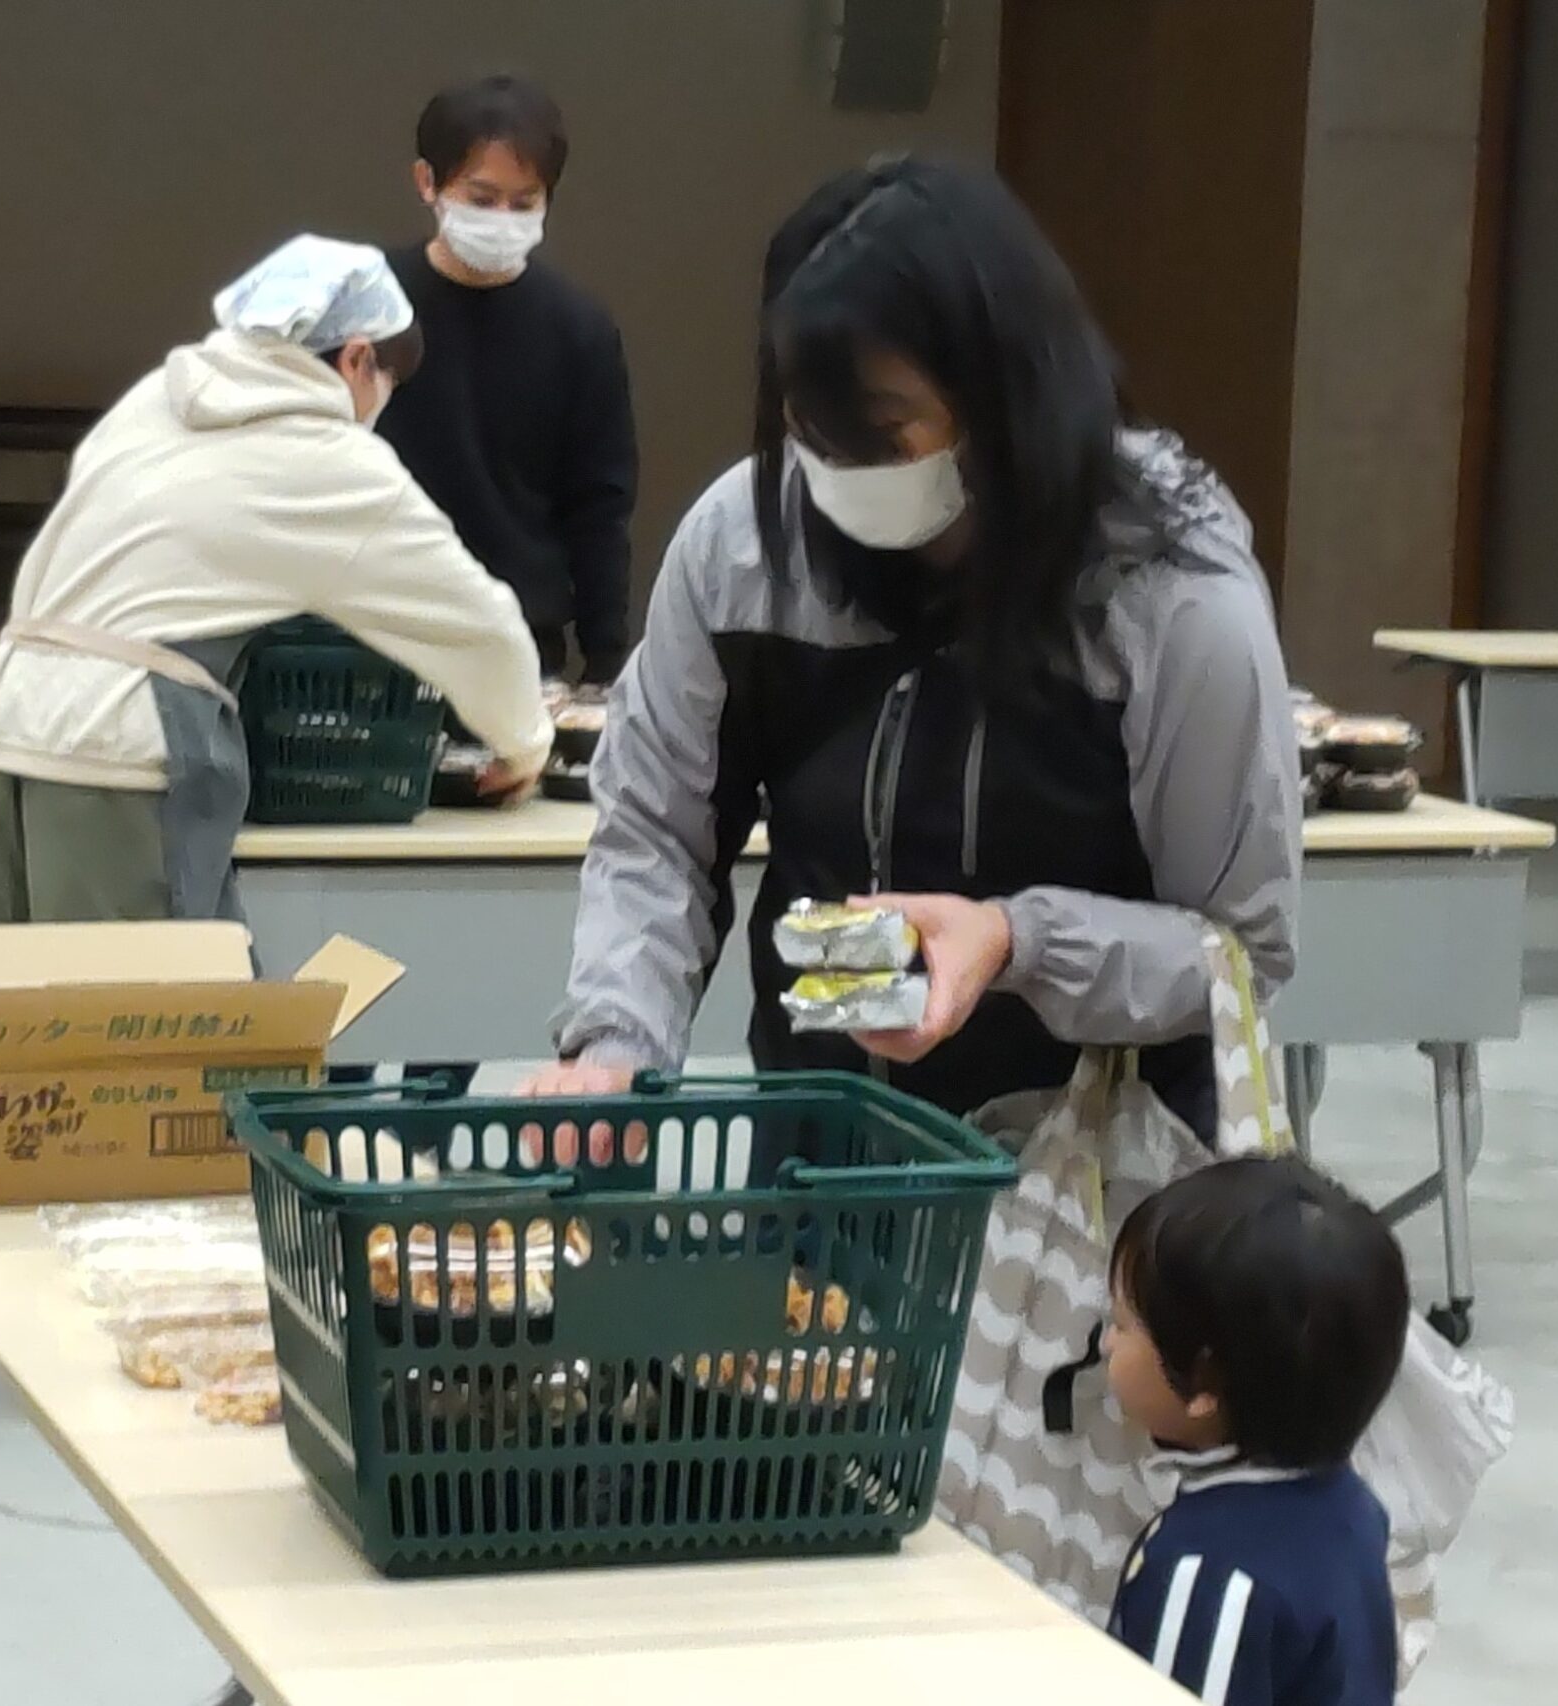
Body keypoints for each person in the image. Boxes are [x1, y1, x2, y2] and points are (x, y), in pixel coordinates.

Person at [524, 156, 1300, 1135]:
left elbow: (1239, 951)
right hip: (826, 1155)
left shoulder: (1170, 597)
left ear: (1003, 398)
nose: (840, 472)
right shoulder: (744, 547)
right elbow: (656, 831)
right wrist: (615, 1045)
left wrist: (1015, 939)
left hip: (1100, 1188)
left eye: (884, 434)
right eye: (813, 431)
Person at [0, 234, 551, 927]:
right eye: (387, 380)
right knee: (130, 1019)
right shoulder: (332, 460)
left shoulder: (159, 395)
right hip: (117, 748)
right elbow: (478, 624)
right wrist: (522, 745)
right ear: (357, 358)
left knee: (4, 1011)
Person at [1104, 1156, 1407, 1706]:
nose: (1106, 1344)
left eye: (1123, 1326)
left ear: (1204, 1382)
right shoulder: (1352, 1510)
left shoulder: (1207, 1577)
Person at [376, 74, 638, 682]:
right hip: (370, 635)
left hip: (514, 647)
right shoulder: (367, 307)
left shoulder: (581, 331)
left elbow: (599, 505)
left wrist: (606, 660)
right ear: (428, 183)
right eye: (482, 197)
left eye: (525, 203)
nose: (502, 218)